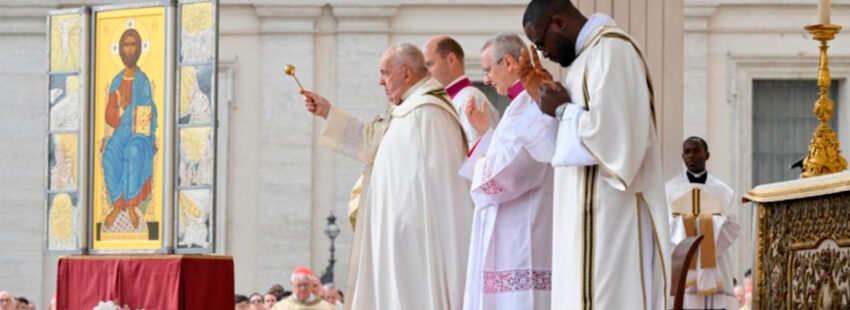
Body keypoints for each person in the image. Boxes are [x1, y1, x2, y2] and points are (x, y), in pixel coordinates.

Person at [519, 1, 670, 309]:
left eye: (540, 42)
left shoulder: (613, 50)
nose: (543, 52)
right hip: (582, 219)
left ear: (559, 23)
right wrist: (544, 103)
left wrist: (563, 109)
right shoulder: (581, 64)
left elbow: (617, 140)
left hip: (613, 219)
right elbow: (561, 153)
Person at [300, 43, 473, 310]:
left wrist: (402, 229)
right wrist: (327, 112)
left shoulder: (428, 114)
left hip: (418, 243)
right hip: (396, 239)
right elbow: (369, 139)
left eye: (385, 73)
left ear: (406, 73)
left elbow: (431, 188)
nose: (380, 81)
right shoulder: (407, 111)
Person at [462, 33, 554, 310]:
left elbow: (517, 169)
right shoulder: (518, 107)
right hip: (508, 233)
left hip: (523, 235)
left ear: (510, 63)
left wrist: (479, 169)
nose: (487, 79)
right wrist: (486, 134)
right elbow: (509, 154)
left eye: (489, 69)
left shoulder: (532, 106)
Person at [665, 137, 740, 309]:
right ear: (682, 156)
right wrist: (690, 227)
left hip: (715, 262)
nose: (691, 155)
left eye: (696, 150)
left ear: (707, 155)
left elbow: (734, 225)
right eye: (687, 151)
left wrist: (710, 248)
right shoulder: (669, 189)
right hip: (680, 262)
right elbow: (663, 224)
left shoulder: (723, 191)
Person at [101, 28, 158, 230]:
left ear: (139, 48)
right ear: (121, 50)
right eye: (126, 44)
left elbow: (146, 109)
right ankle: (118, 204)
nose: (130, 48)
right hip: (122, 129)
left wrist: (133, 114)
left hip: (139, 131)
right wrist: (116, 104)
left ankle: (132, 205)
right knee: (109, 156)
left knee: (132, 152)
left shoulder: (142, 80)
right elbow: (110, 118)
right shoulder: (117, 80)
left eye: (133, 44)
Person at [423, 35, 500, 146]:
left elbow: (478, 153)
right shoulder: (453, 99)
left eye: (430, 65)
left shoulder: (470, 99)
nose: (427, 72)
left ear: (451, 60)